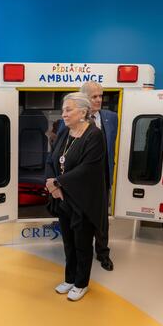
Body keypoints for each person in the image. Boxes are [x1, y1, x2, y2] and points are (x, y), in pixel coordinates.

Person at [46, 92, 107, 302]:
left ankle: (81, 283)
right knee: (68, 243)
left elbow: (87, 169)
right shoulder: (65, 132)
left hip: (83, 200)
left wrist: (57, 182)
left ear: (82, 112)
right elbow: (52, 159)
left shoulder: (94, 135)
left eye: (68, 110)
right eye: (63, 110)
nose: (63, 114)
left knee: (82, 244)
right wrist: (52, 184)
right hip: (63, 199)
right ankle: (70, 278)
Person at [59, 81, 117, 270]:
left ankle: (103, 253)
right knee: (81, 219)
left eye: (101, 96)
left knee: (101, 217)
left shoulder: (111, 118)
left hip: (102, 176)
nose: (99, 100)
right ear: (84, 99)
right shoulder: (67, 122)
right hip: (78, 179)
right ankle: (80, 254)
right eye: (94, 96)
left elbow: (110, 148)